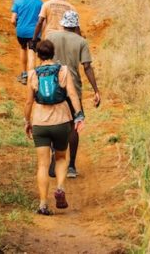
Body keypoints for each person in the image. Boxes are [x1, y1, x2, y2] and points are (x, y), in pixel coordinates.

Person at [24, 40, 83, 216]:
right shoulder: (63, 70)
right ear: (53, 53)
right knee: (60, 157)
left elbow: (29, 101)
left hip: (40, 122)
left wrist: (27, 121)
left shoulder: (33, 74)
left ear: (38, 55)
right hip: (61, 120)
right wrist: (79, 115)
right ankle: (59, 187)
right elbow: (72, 94)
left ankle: (43, 204)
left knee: (42, 164)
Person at [48, 11, 101, 179]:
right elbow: (86, 67)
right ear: (76, 25)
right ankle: (71, 166)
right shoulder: (81, 41)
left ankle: (54, 158)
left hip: (53, 85)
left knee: (53, 122)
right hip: (73, 89)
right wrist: (96, 90)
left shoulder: (51, 37)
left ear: (63, 24)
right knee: (73, 126)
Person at [11, 0, 44, 85]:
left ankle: (24, 74)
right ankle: (32, 75)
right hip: (34, 32)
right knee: (32, 52)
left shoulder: (18, 1)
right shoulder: (39, 2)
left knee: (23, 48)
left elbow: (13, 20)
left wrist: (18, 27)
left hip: (21, 31)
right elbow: (42, 19)